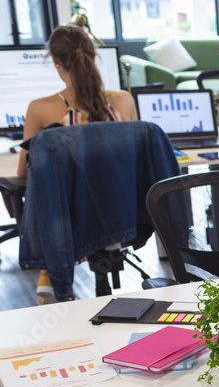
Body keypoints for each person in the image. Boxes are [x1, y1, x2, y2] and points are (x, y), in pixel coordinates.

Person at [16, 25, 137, 304]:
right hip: (122, 213)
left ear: (55, 61)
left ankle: (50, 266)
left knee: (39, 189)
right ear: (93, 56)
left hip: (68, 221)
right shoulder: (124, 101)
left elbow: (25, 174)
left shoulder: (40, 108)